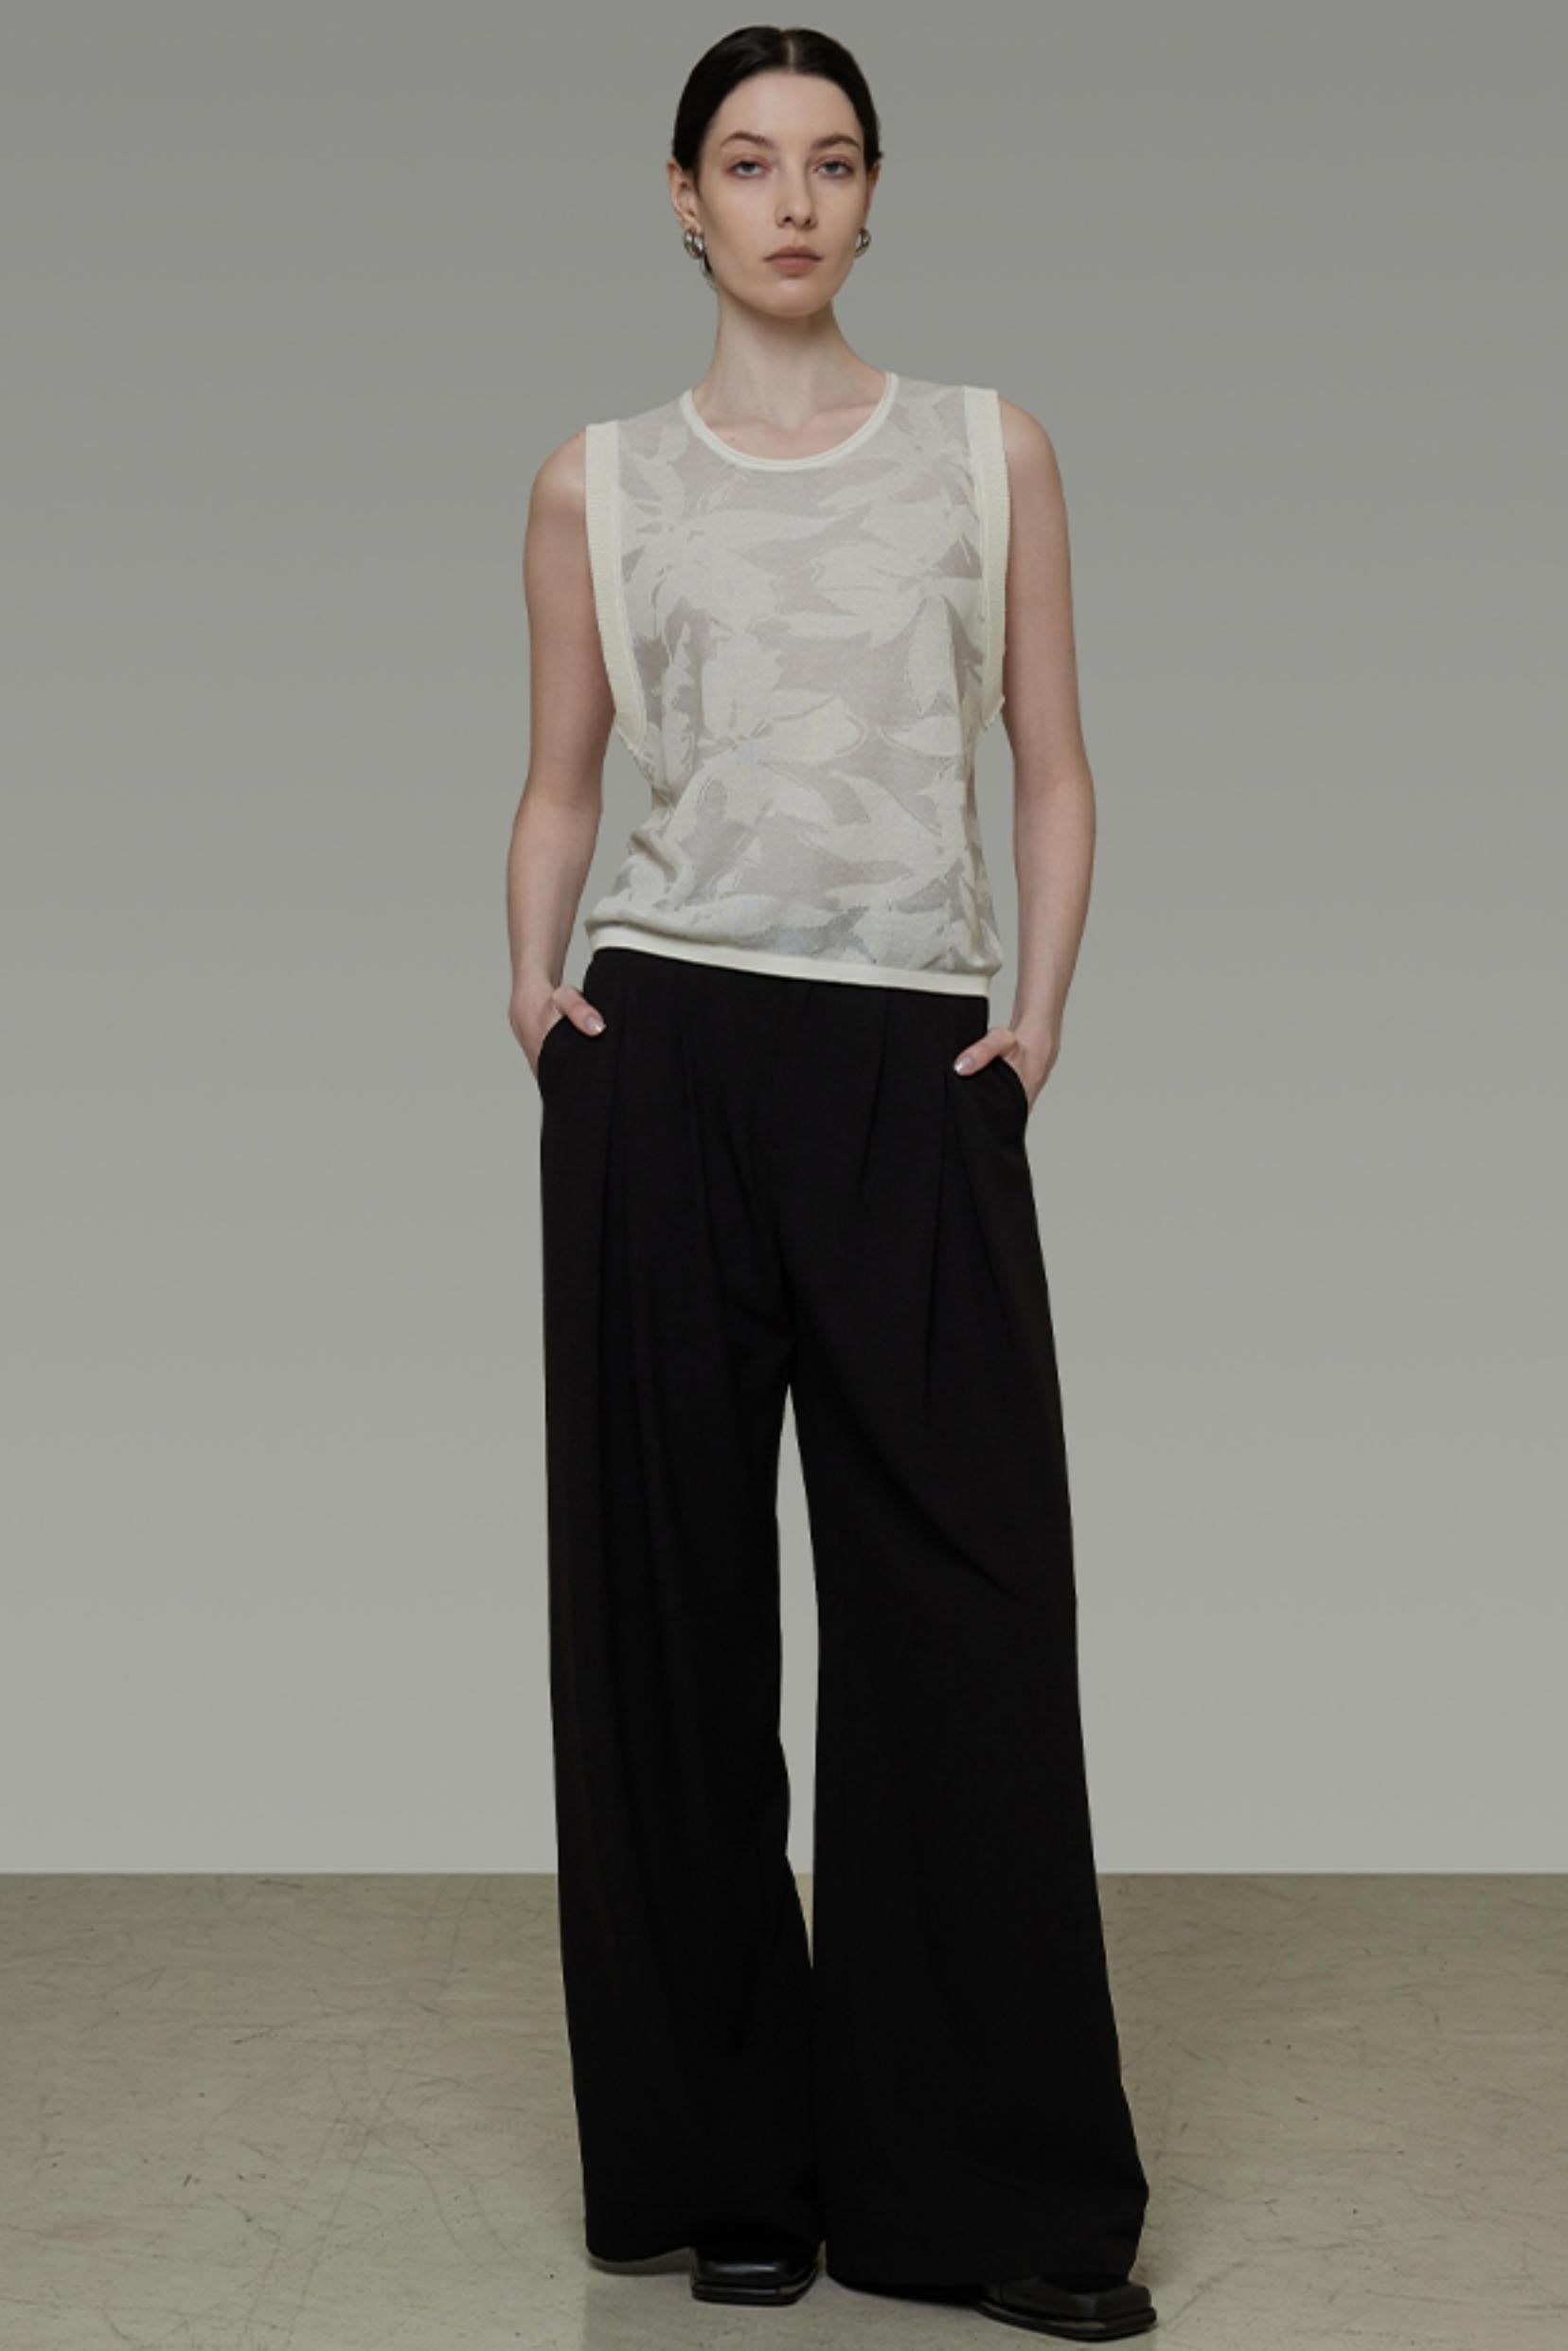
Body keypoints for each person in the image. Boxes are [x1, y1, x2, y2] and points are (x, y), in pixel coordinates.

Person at [505, 24, 1157, 2343]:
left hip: (911, 1056)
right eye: (750, 161)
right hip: (665, 1051)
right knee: (669, 1622)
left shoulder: (991, 451)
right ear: (682, 200)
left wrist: (1034, 1020)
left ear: (875, 197)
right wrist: (535, 1001)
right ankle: (730, 2171)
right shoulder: (597, 482)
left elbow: (1053, 765)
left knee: (963, 1612)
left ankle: (994, 2195)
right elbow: (563, 778)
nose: (795, 200)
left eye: (836, 160)